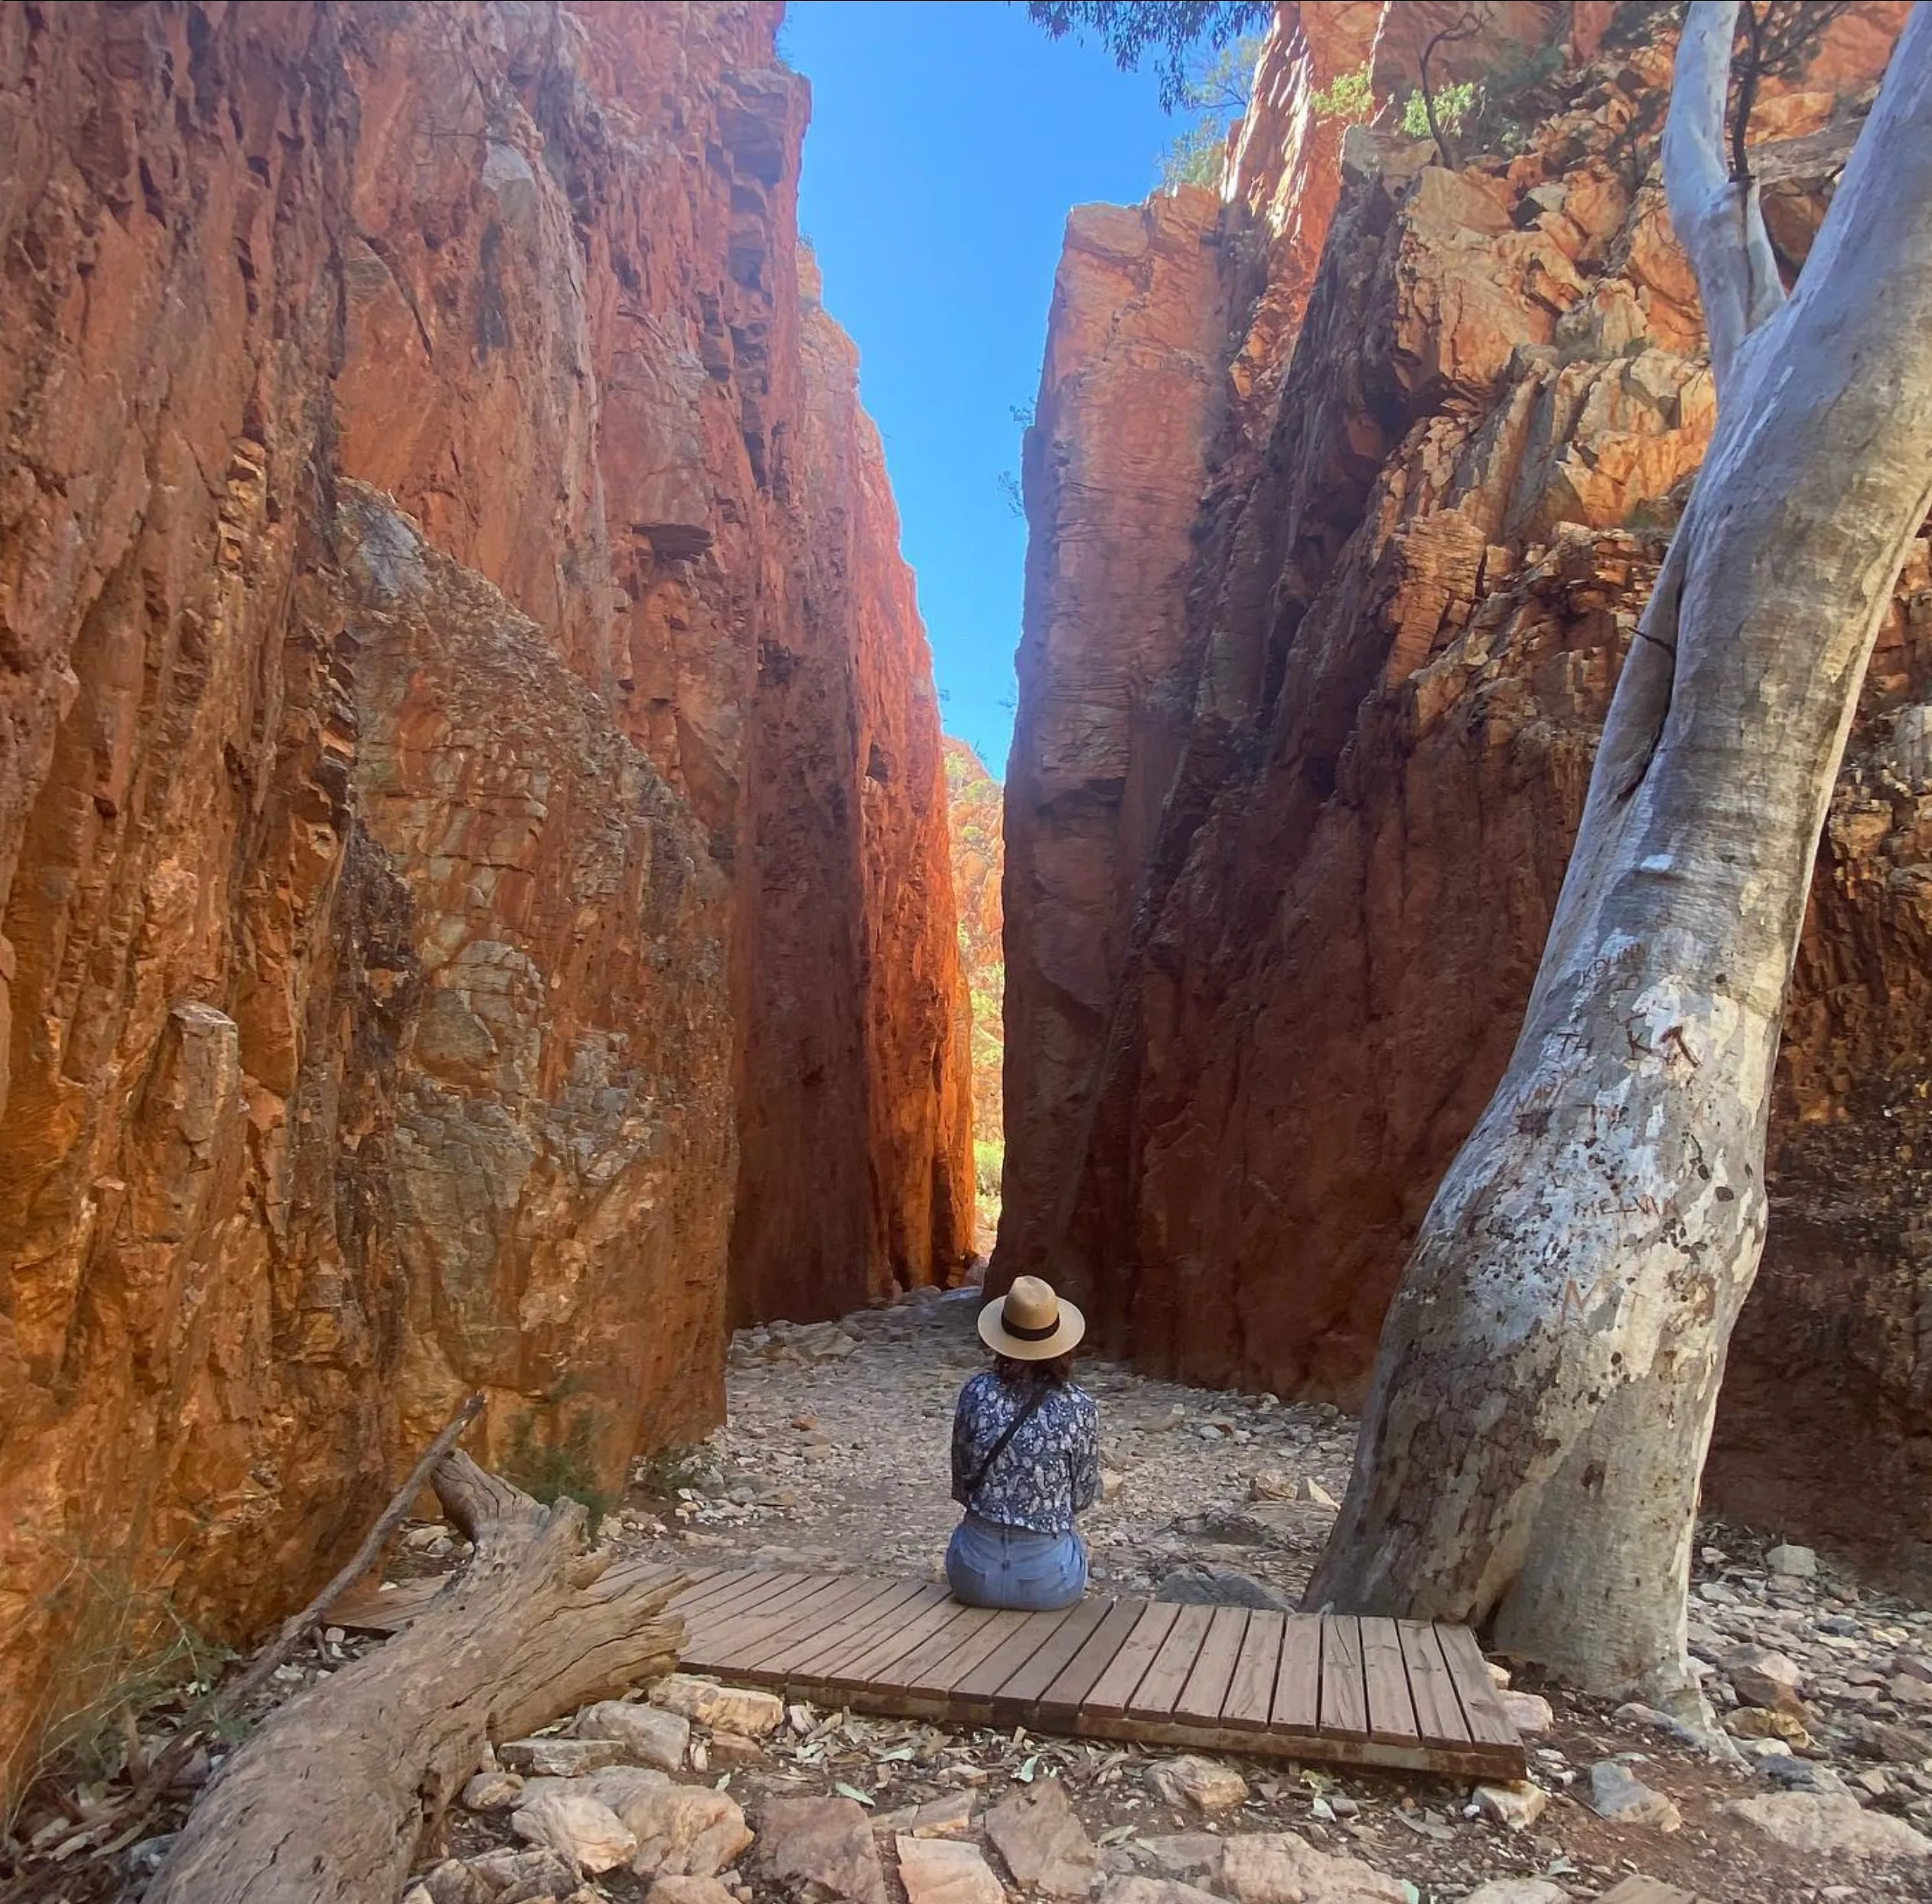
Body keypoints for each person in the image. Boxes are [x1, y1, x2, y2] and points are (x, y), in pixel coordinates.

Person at [946, 1274, 1100, 1610]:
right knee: (1073, 1544)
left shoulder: (976, 1393)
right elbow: (1082, 1496)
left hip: (973, 1578)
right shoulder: (1079, 1406)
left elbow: (962, 1482)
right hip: (1049, 1582)